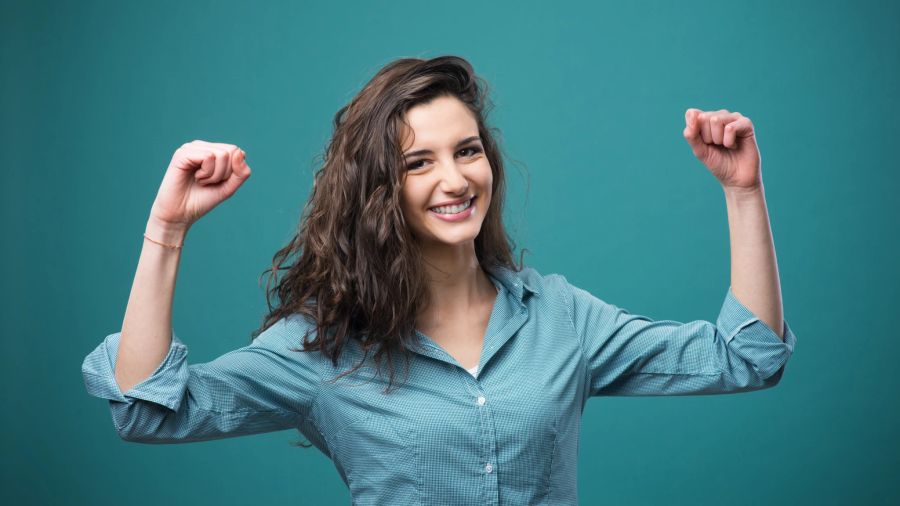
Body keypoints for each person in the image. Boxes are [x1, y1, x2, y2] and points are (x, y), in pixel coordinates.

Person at [82, 55, 797, 504]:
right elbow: (148, 410)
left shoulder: (561, 318)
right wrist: (166, 233)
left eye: (467, 151)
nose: (454, 179)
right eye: (418, 162)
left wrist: (742, 193)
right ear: (378, 188)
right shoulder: (324, 349)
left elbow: (747, 356)